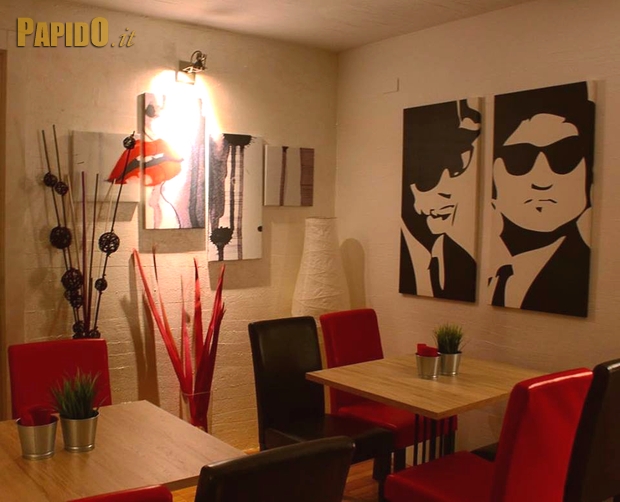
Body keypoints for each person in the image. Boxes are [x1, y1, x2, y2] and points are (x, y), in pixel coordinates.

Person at [489, 81, 595, 317]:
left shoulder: (576, 276)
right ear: (493, 173)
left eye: (563, 157)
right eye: (520, 159)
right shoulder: (471, 269)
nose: (542, 180)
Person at [400, 99, 481, 302]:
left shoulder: (463, 262)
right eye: (431, 172)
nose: (447, 191)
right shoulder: (398, 258)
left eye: (456, 167)